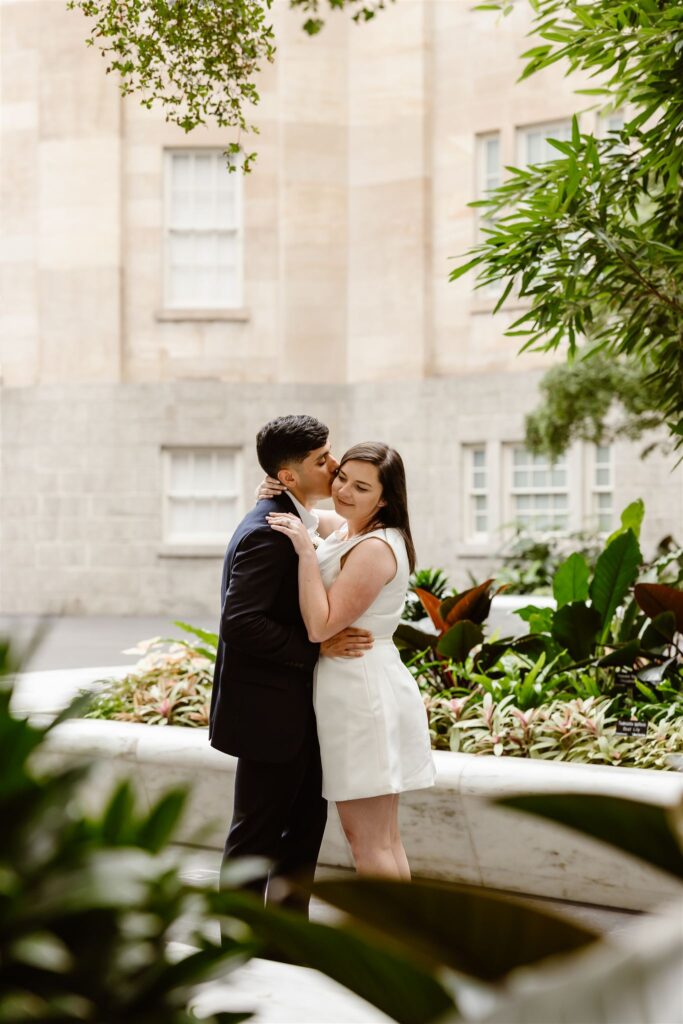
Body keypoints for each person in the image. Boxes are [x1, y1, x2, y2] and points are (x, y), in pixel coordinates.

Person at [209, 415, 374, 915]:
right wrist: (316, 648)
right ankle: (237, 953)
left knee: (300, 837)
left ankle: (284, 951)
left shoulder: (291, 514)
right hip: (270, 717)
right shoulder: (268, 531)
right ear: (289, 476)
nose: (335, 463)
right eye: (322, 460)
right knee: (256, 842)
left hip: (298, 712)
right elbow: (239, 623)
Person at [265, 441, 435, 879]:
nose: (343, 491)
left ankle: (388, 946)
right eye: (342, 477)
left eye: (361, 487)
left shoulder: (375, 548)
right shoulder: (351, 529)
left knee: (370, 843)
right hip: (360, 685)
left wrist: (305, 552)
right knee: (382, 840)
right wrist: (280, 489)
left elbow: (321, 626)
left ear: (384, 498)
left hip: (362, 695)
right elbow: (312, 516)